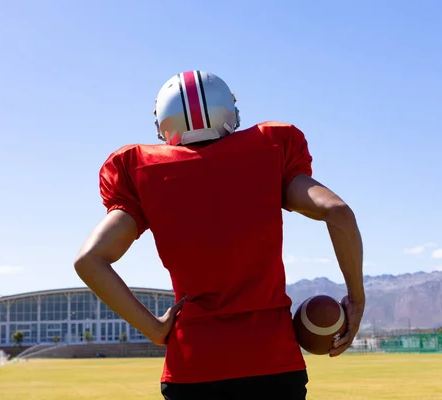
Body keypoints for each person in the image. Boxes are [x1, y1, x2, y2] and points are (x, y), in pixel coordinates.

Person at [74, 70, 365, 400]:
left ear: (163, 124)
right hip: (273, 363)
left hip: (194, 367)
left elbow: (90, 261)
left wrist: (153, 329)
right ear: (230, 112)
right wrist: (356, 298)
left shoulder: (141, 170)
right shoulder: (270, 148)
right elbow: (338, 212)